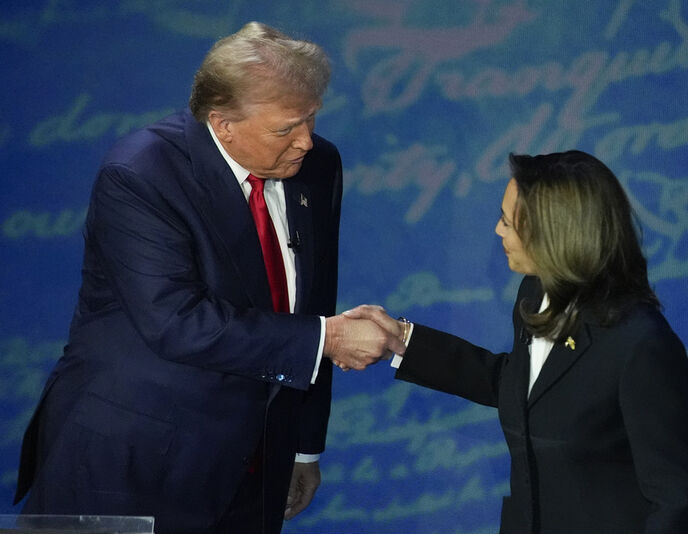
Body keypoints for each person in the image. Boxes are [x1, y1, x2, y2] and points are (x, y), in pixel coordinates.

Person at [14, 22, 404, 534]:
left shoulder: (318, 164)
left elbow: (312, 299)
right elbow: (176, 321)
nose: (306, 141)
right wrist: (329, 339)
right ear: (221, 124)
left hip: (258, 461)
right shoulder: (141, 174)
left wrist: (304, 445)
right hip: (135, 460)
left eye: (310, 118)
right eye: (286, 128)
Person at [350, 150, 688, 533]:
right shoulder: (534, 294)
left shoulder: (640, 344)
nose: (498, 231)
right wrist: (402, 340)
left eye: (507, 221)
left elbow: (673, 501)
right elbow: (521, 387)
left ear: (554, 234)